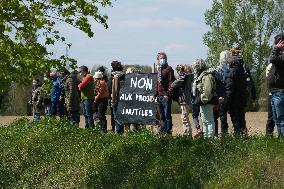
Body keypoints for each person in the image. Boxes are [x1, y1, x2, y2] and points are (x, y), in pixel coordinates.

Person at [224, 51, 247, 135]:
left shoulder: (230, 74)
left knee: (236, 121)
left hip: (234, 102)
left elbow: (229, 91)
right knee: (242, 119)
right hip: (242, 100)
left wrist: (226, 103)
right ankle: (244, 136)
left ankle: (238, 137)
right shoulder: (242, 74)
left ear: (230, 64)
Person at [193, 59, 216, 138]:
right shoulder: (202, 75)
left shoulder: (206, 75)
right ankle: (206, 139)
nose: (194, 68)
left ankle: (210, 139)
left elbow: (207, 90)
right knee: (205, 122)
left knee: (209, 121)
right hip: (203, 102)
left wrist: (203, 100)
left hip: (206, 102)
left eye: (195, 67)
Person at [153, 52, 175, 134]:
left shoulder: (169, 69)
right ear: (158, 59)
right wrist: (154, 95)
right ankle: (162, 131)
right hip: (159, 96)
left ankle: (168, 131)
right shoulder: (158, 70)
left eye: (164, 58)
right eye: (161, 58)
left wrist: (168, 94)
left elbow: (171, 83)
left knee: (167, 115)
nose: (163, 59)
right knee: (161, 116)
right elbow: (157, 84)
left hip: (166, 96)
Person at [170, 64, 194, 136]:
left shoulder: (185, 77)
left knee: (184, 118)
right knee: (185, 118)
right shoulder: (189, 77)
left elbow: (175, 84)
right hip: (186, 99)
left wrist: (170, 85)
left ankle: (187, 134)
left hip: (184, 100)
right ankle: (186, 132)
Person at [268, 34, 284, 138]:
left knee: (281, 120)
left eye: (278, 43)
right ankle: (280, 142)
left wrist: (276, 49)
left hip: (280, 92)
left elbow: (272, 59)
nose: (275, 45)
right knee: (277, 119)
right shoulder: (280, 55)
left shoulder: (282, 56)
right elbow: (271, 59)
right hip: (275, 92)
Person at [215, 50, 231, 135]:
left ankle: (225, 133)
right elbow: (217, 83)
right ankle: (225, 133)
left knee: (223, 116)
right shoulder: (219, 69)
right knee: (223, 116)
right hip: (225, 95)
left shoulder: (229, 68)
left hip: (224, 95)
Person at [110, 61, 125, 134]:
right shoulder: (123, 75)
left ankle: (118, 133)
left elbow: (115, 90)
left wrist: (113, 101)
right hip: (123, 100)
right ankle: (121, 131)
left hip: (117, 100)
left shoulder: (116, 77)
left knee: (116, 117)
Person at [265, 63, 275, 136]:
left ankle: (269, 135)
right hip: (273, 93)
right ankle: (269, 135)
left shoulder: (270, 65)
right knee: (271, 116)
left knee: (271, 117)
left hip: (272, 93)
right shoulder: (271, 66)